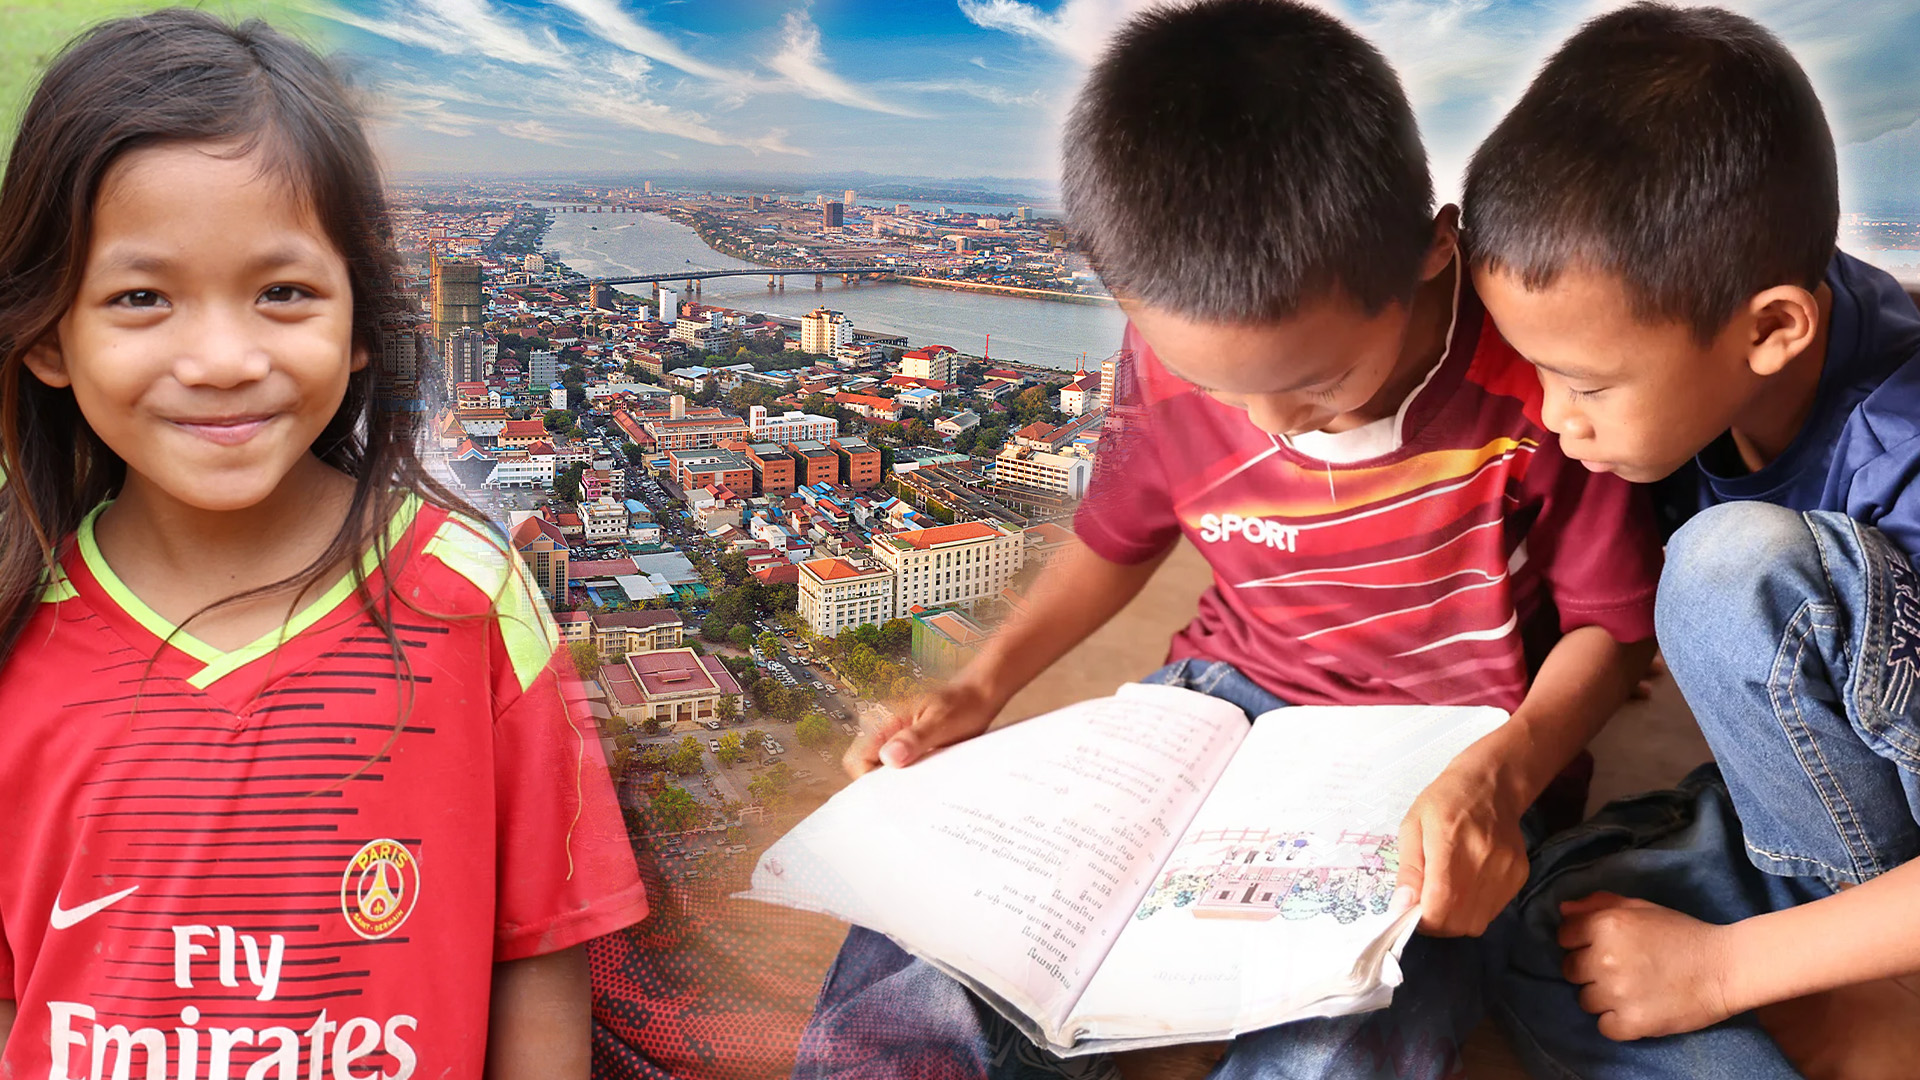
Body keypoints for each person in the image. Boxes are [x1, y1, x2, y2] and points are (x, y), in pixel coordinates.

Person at [793, 2, 1662, 1078]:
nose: (1268, 429)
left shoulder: (1541, 377)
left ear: (1435, 252)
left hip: (1445, 752)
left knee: (1347, 1037)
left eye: (1314, 383)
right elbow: (1119, 535)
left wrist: (1510, 770)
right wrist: (983, 687)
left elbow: (1612, 628)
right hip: (1217, 711)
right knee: (939, 948)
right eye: (1216, 386)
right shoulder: (1166, 346)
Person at [0, 11, 646, 1078]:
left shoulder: (467, 599)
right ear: (45, 336)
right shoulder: (16, 629)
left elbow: (536, 944)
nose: (221, 359)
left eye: (281, 292)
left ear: (357, 327)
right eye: (142, 297)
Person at [1462, 4, 1920, 1077]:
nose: (1553, 418)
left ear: (1772, 330)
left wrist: (1723, 973)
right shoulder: (1704, 331)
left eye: (1585, 385)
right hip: (1823, 832)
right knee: (1542, 931)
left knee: (1731, 567)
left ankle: (1863, 990)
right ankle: (1817, 989)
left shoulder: (1900, 452)